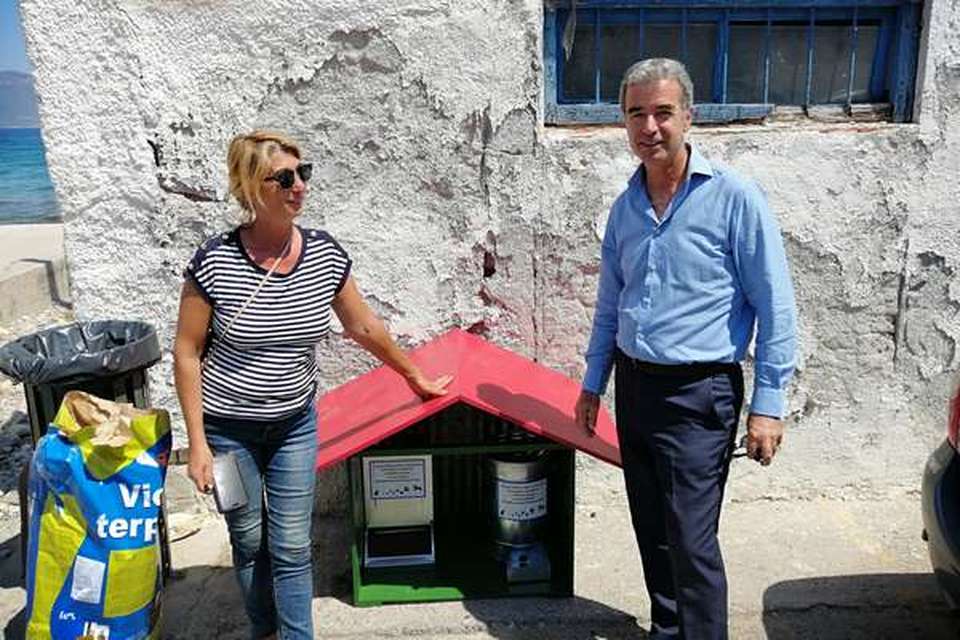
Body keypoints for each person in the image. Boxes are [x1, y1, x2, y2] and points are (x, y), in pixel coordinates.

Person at [173, 130, 451, 640]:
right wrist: (198, 444)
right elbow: (187, 353)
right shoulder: (214, 261)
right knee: (248, 539)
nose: (299, 186)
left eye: (303, 173)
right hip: (228, 431)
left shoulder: (323, 254)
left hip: (294, 427)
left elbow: (362, 325)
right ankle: (264, 631)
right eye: (283, 178)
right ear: (250, 186)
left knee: (291, 545)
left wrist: (415, 376)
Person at [574, 59, 797, 640]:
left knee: (692, 544)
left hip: (699, 395)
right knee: (653, 532)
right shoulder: (625, 208)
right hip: (635, 389)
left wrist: (768, 405)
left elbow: (775, 304)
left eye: (663, 112)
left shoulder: (734, 198)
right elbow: (610, 306)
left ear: (689, 117)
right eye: (636, 113)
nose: (649, 126)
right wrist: (594, 383)